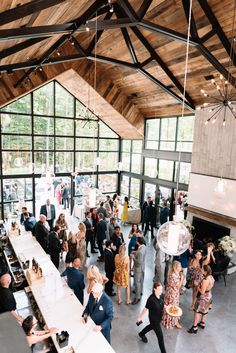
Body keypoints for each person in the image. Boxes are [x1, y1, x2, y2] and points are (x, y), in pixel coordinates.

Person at [137, 281, 167, 353]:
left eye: (161, 289)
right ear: (154, 289)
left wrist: (167, 307)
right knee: (160, 337)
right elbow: (145, 308)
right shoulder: (151, 299)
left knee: (151, 326)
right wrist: (140, 317)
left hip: (159, 317)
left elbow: (162, 304)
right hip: (154, 319)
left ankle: (141, 333)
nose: (161, 291)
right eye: (159, 289)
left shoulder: (161, 295)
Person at [188, 265, 215, 334]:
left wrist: (197, 285)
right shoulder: (211, 277)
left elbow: (202, 291)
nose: (201, 269)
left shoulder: (205, 280)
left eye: (202, 269)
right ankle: (202, 323)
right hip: (209, 295)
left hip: (203, 298)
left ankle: (194, 327)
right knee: (204, 310)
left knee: (197, 311)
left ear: (205, 272)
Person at [162, 261, 184, 329]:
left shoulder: (176, 273)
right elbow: (178, 286)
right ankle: (172, 322)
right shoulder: (173, 275)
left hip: (172, 292)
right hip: (172, 294)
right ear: (176, 267)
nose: (181, 267)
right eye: (179, 266)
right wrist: (182, 279)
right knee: (172, 306)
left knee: (172, 305)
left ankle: (172, 321)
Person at [131, 237, 146, 304]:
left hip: (138, 269)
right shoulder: (144, 247)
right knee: (141, 280)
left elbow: (138, 262)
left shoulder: (140, 252)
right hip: (143, 267)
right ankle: (141, 292)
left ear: (138, 242)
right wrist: (135, 252)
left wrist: (133, 257)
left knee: (137, 283)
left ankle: (137, 297)